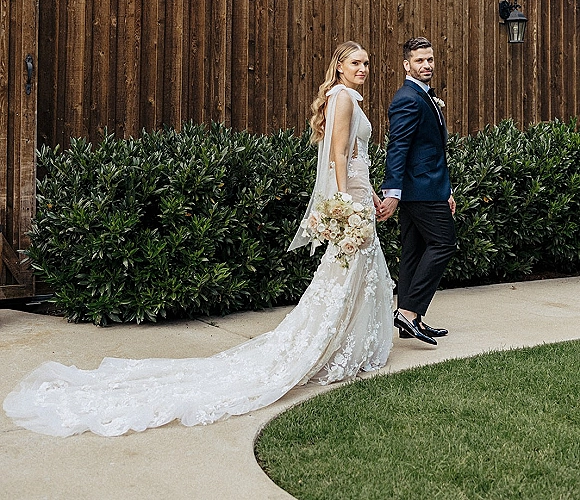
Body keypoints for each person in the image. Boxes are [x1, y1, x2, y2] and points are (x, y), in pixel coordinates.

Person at [4, 41, 393, 436]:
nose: (363, 68)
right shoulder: (343, 98)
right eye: (356, 62)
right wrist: (346, 203)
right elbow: (338, 158)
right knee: (344, 278)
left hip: (360, 197)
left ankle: (349, 345)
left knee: (354, 277)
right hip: (351, 202)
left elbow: (357, 158)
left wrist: (371, 196)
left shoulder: (345, 97)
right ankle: (333, 348)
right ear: (339, 65)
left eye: (367, 62)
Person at [377, 37, 456, 346]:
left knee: (414, 251)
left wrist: (446, 189)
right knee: (444, 243)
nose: (427, 65)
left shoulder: (422, 95)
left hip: (429, 186)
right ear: (406, 65)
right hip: (419, 189)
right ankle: (409, 312)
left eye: (430, 60)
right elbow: (397, 148)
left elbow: (433, 150)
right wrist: (393, 191)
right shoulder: (407, 98)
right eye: (420, 61)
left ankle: (412, 318)